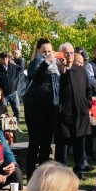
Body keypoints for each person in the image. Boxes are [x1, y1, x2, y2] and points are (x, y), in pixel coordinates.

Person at [23, 38, 60, 176]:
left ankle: (43, 174)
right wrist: (46, 61)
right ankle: (31, 173)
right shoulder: (34, 63)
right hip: (35, 105)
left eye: (50, 51)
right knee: (35, 142)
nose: (47, 53)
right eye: (44, 51)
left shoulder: (56, 65)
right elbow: (35, 76)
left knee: (46, 142)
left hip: (51, 106)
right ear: (38, 51)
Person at [55, 51, 92, 175]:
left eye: (71, 53)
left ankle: (79, 170)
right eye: (66, 53)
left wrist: (87, 103)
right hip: (64, 114)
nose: (68, 55)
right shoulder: (58, 70)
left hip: (81, 113)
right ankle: (61, 172)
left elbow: (88, 89)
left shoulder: (81, 71)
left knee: (80, 143)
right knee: (63, 145)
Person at [0, 52, 22, 120]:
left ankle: (15, 127)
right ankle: (5, 128)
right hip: (3, 94)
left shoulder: (13, 67)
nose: (5, 59)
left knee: (17, 111)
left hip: (14, 93)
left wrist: (15, 64)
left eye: (6, 58)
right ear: (0, 59)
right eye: (3, 58)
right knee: (3, 112)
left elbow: (21, 70)